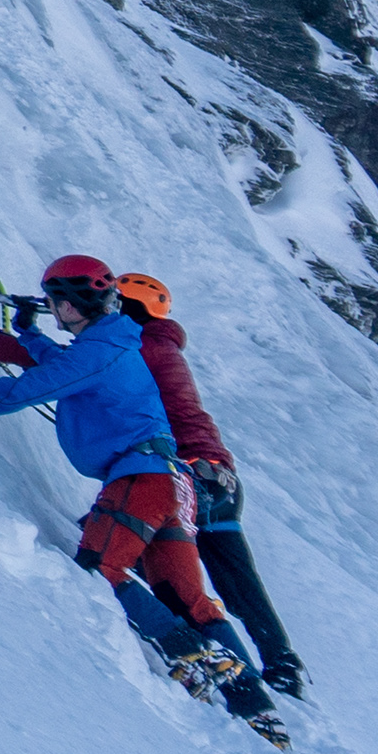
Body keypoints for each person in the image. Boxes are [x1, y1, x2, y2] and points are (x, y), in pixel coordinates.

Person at [0, 256, 288, 744]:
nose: (49, 309)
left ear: (68, 305)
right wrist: (28, 333)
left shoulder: (99, 351)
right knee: (188, 596)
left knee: (97, 570)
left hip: (140, 480)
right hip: (171, 485)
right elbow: (62, 366)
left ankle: (189, 650)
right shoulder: (110, 343)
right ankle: (255, 705)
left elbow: (19, 393)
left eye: (50, 303)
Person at [111, 273, 306, 699]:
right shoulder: (162, 346)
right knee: (238, 583)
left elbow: (94, 369)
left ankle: (190, 643)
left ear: (130, 307)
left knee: (116, 538)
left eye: (114, 301)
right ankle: (282, 668)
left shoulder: (143, 345)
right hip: (219, 481)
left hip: (187, 476)